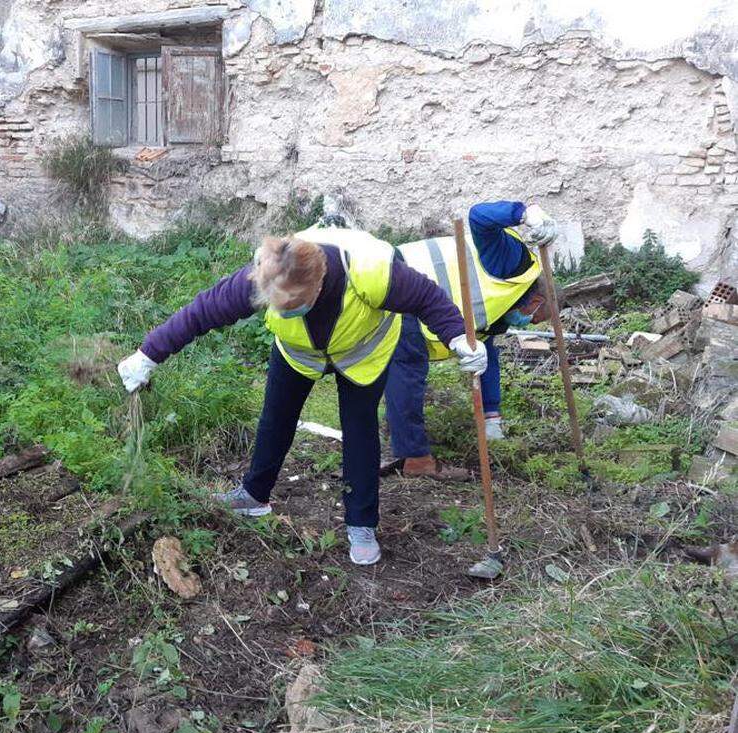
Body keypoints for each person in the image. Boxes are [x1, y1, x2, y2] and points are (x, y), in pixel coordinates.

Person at [117, 226, 486, 566]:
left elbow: (428, 299)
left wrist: (458, 338)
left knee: (359, 432)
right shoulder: (269, 272)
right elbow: (201, 312)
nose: (282, 310)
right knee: (276, 417)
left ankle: (361, 524)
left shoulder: (369, 272)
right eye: (277, 306)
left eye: (291, 307)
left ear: (319, 283)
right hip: (299, 355)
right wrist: (147, 355)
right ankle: (254, 495)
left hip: (363, 354)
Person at [383, 201, 556, 478]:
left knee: (391, 370)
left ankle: (392, 441)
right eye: (536, 318)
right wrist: (525, 213)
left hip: (410, 292)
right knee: (407, 368)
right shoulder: (513, 264)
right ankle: (415, 459)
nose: (530, 323)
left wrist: (492, 415)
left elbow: (486, 352)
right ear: (535, 301)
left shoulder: (502, 308)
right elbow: (479, 216)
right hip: (403, 279)